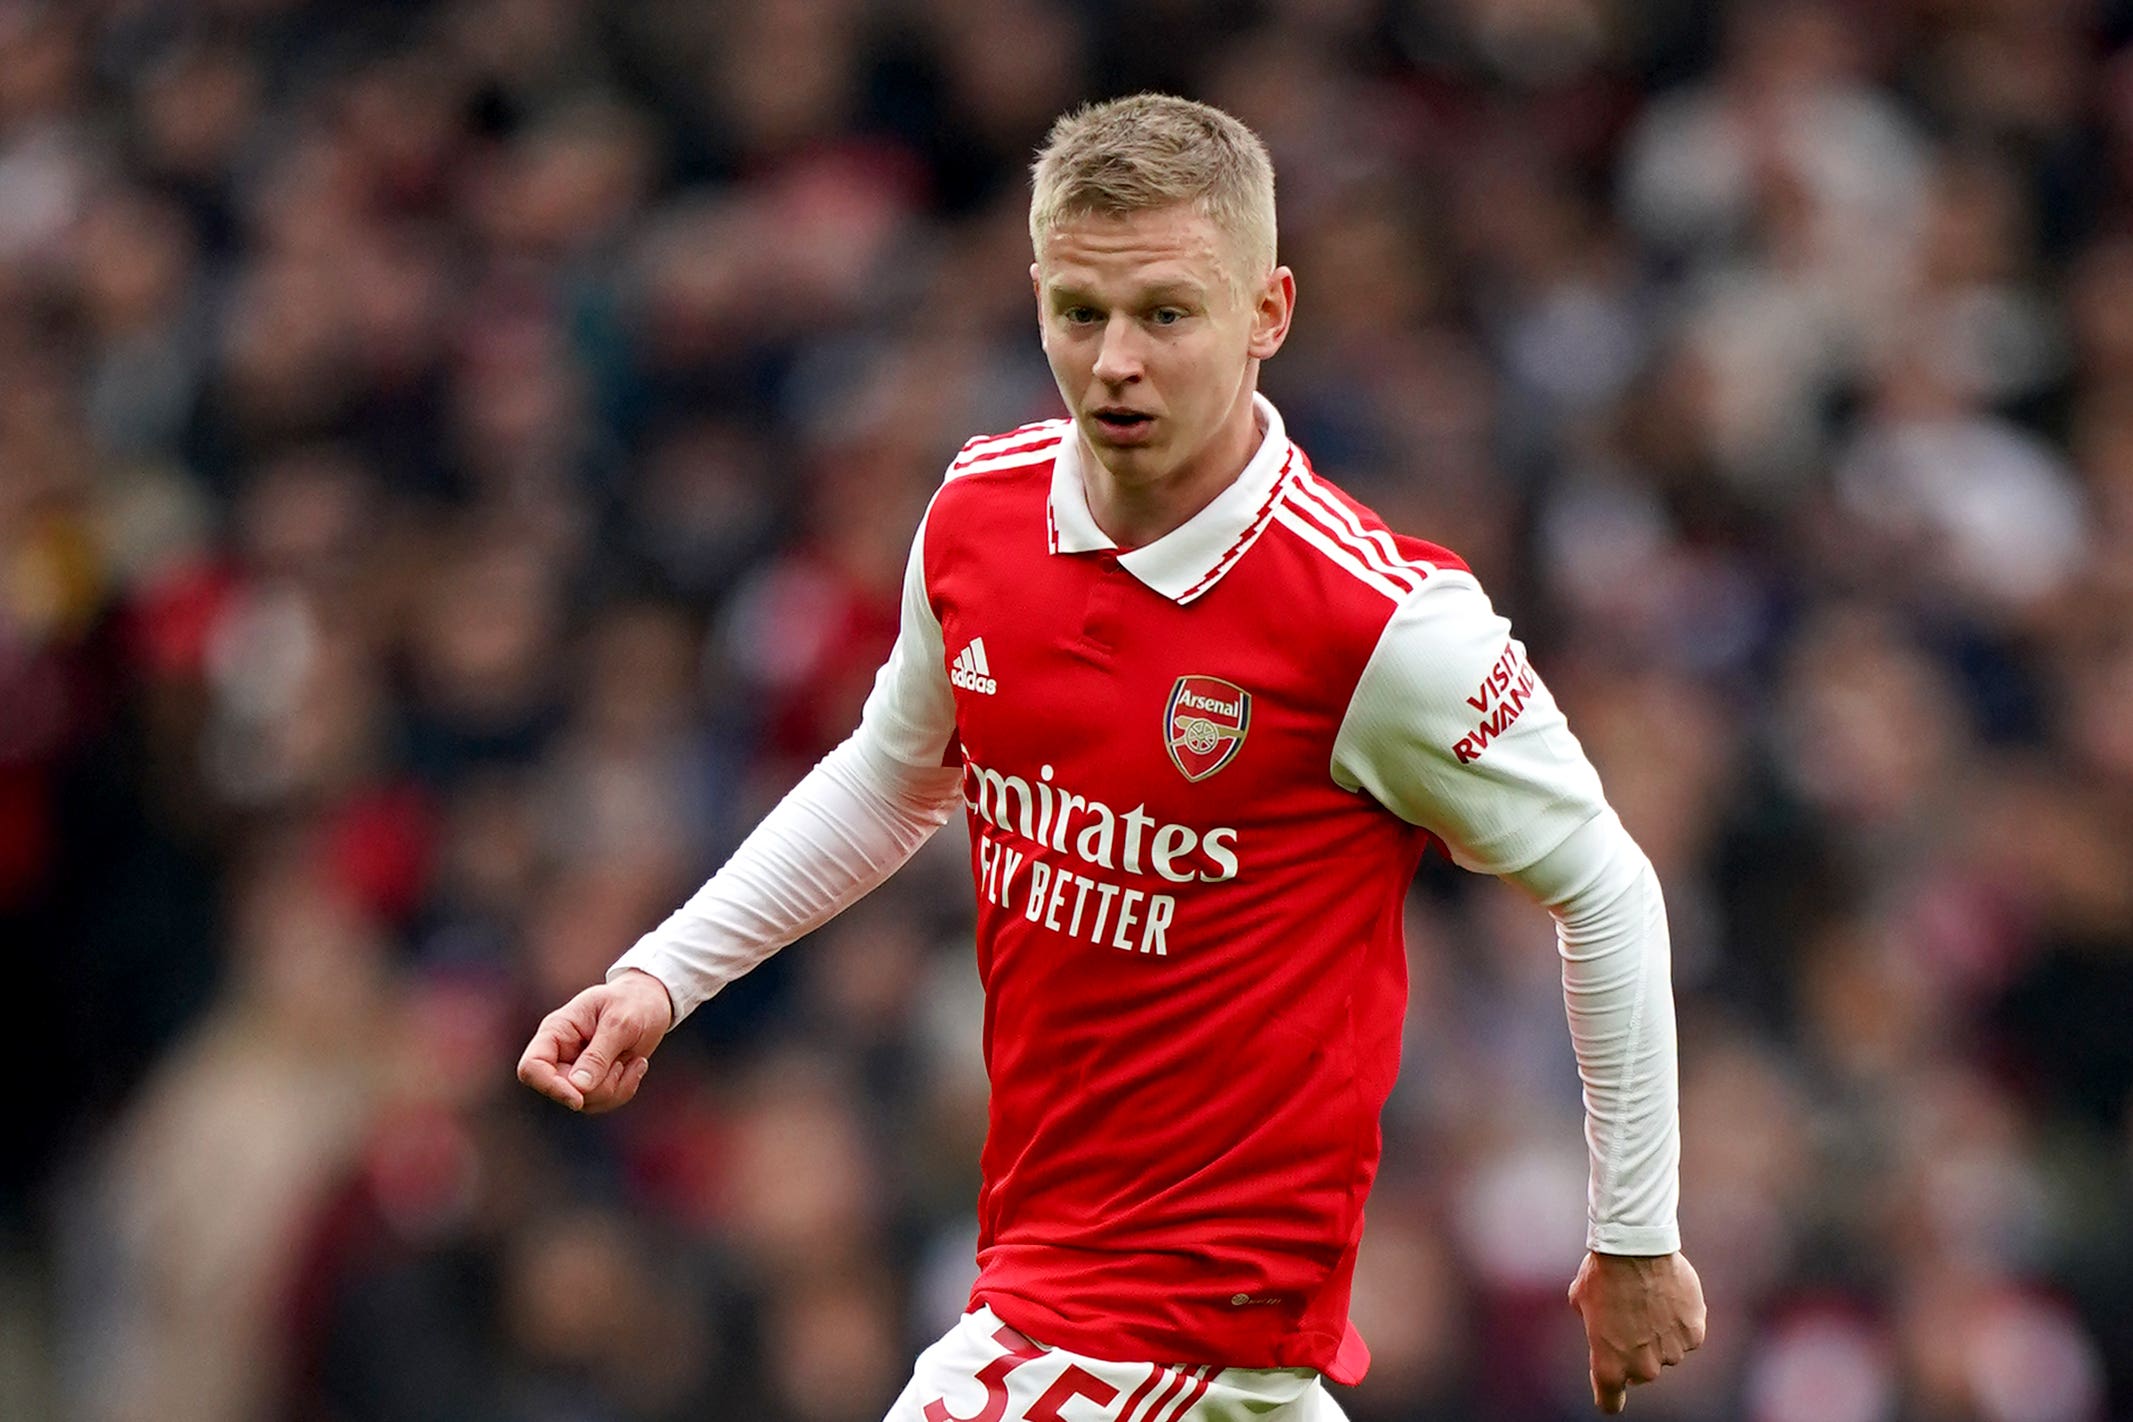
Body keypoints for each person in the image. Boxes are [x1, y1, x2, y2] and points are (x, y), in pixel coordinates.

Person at [519, 93, 1705, 1420]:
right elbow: (894, 775)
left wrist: (1634, 1235)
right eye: (1078, 313)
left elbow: (1605, 885)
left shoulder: (1379, 622)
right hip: (1149, 1336)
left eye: (1165, 314)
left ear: (1268, 313)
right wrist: (661, 975)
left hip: (1150, 1333)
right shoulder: (976, 514)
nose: (1115, 362)